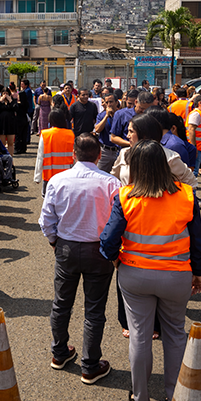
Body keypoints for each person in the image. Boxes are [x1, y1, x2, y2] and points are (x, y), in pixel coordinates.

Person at [99, 140, 201, 401]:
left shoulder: (126, 196)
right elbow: (197, 241)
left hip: (135, 274)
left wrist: (115, 260)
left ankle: (141, 396)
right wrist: (197, 272)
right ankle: (175, 394)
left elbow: (109, 239)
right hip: (176, 275)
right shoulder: (186, 195)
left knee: (139, 335)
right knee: (174, 334)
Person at [39, 134, 121, 384]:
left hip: (66, 247)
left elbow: (47, 220)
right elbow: (118, 222)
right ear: (99, 155)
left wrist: (55, 241)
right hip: (99, 250)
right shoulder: (111, 183)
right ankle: (90, 364)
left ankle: (59, 352)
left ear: (73, 154)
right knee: (94, 309)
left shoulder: (57, 180)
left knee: (61, 303)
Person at [34, 109, 74, 196]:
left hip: (50, 175)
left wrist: (37, 176)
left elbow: (40, 156)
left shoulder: (45, 134)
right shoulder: (71, 134)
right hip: (67, 174)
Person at [92, 92, 120, 173]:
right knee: (100, 174)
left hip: (118, 151)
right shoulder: (101, 115)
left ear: (116, 102)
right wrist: (106, 116)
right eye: (106, 102)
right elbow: (97, 130)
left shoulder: (121, 114)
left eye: (111, 102)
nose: (109, 104)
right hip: (105, 151)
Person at [0, 87, 18, 156]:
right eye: (4, 93)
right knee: (2, 143)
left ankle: (10, 158)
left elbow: (16, 108)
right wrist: (0, 101)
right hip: (2, 123)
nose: (5, 95)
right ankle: (3, 158)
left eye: (7, 93)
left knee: (10, 143)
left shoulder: (13, 101)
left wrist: (10, 100)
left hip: (11, 123)